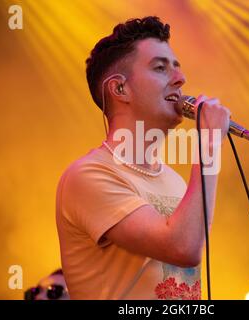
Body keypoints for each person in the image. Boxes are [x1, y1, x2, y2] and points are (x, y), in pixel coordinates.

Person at [56, 16, 231, 300]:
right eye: (160, 68)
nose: (180, 79)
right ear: (120, 89)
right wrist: (209, 144)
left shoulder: (173, 180)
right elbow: (183, 248)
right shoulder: (88, 176)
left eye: (177, 67)